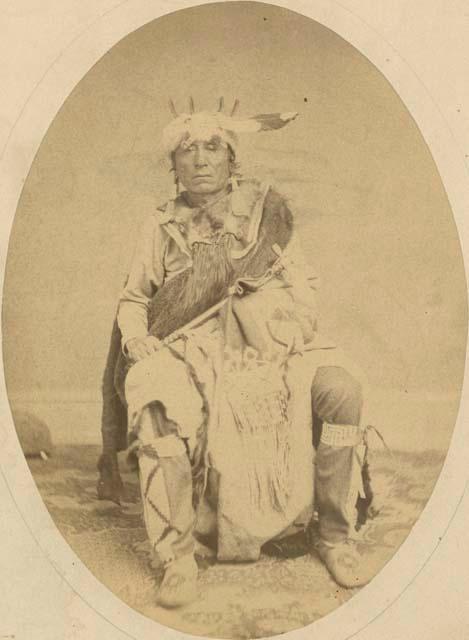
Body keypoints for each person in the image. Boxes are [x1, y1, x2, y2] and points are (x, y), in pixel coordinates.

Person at [98, 100, 381, 608]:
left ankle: (335, 536)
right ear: (174, 165)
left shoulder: (265, 215)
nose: (201, 160)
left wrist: (291, 323)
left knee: (341, 389)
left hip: (270, 345)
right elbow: (135, 297)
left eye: (213, 148)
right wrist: (136, 338)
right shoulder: (160, 224)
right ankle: (177, 556)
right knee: (154, 397)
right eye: (188, 150)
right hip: (193, 348)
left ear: (233, 160)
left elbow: (304, 286)